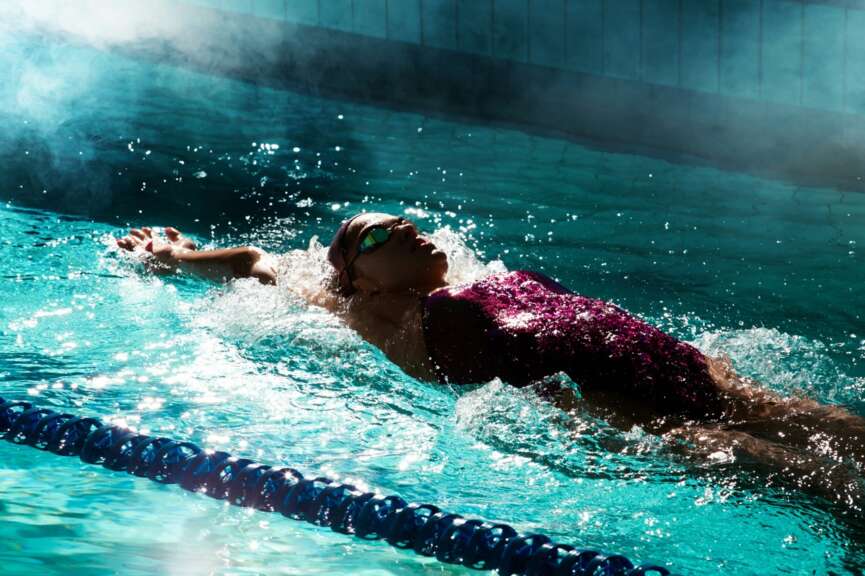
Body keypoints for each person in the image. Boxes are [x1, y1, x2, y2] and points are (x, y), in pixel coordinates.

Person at [116, 213, 865, 504]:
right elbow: (256, 261)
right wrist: (177, 255)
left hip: (671, 365)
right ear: (353, 278)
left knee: (823, 422)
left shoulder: (463, 279)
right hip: (608, 403)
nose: (406, 233)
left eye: (406, 225)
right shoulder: (366, 313)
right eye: (379, 237)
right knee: (797, 473)